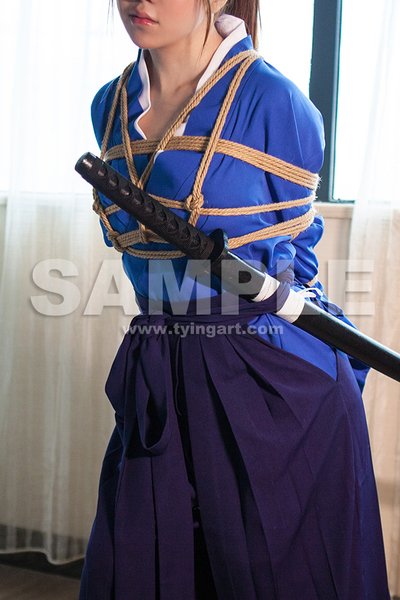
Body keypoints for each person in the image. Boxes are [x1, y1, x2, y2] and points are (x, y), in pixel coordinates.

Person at [79, 1, 391, 598]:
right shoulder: (109, 105)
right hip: (161, 369)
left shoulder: (274, 102)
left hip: (267, 377)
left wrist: (328, 364)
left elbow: (297, 254)